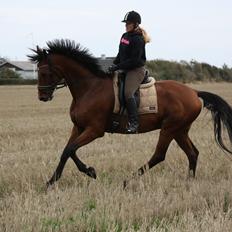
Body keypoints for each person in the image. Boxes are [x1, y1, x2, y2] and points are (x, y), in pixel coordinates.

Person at [108, 10, 151, 134]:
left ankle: (134, 123)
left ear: (136, 24)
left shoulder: (138, 39)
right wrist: (113, 65)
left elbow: (134, 60)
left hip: (136, 70)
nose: (126, 25)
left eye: (128, 23)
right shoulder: (124, 36)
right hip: (124, 68)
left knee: (127, 93)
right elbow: (120, 54)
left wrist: (116, 67)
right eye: (125, 23)